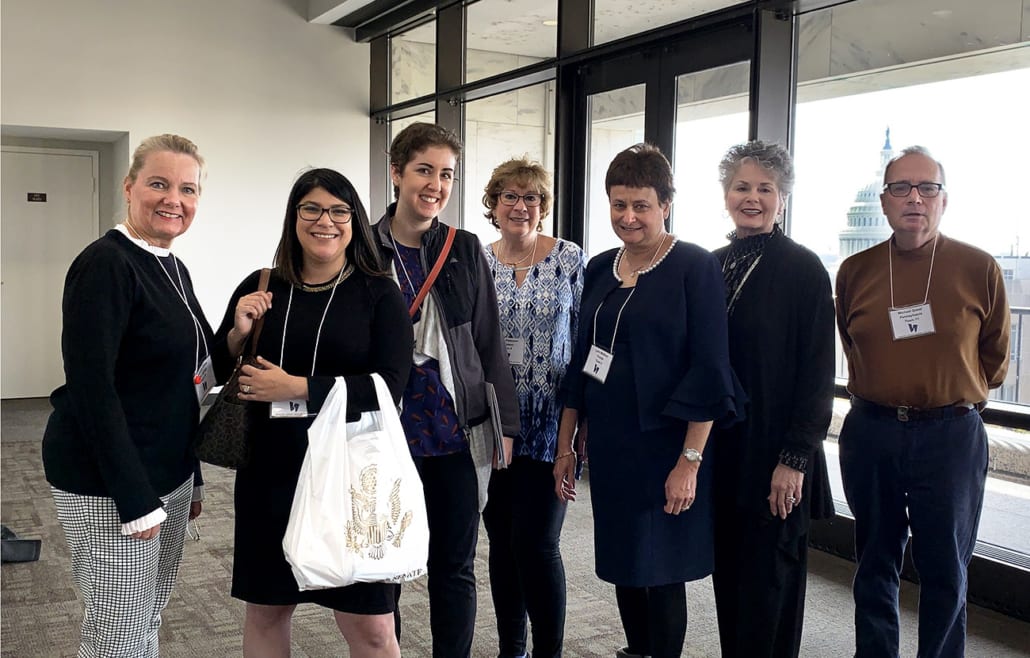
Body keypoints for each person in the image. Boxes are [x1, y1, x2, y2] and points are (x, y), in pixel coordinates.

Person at [212, 168, 413, 657]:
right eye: (312, 209)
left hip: (351, 476)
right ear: (294, 216)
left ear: (354, 221)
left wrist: (297, 388)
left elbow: (390, 386)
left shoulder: (378, 293)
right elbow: (215, 367)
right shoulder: (262, 285)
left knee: (371, 626)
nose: (326, 221)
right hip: (271, 472)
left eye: (339, 211)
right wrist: (238, 333)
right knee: (267, 610)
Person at [553, 143, 743, 658]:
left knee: (660, 571)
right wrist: (565, 445)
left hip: (667, 446)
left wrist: (690, 461)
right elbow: (581, 362)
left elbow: (710, 369)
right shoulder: (600, 267)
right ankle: (635, 651)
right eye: (619, 204)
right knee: (624, 563)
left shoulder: (694, 266)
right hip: (613, 445)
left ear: (666, 205)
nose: (628, 216)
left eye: (641, 205)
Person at [835, 146, 1010, 657]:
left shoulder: (978, 267)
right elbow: (852, 341)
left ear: (943, 200)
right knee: (874, 561)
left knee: (946, 568)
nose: (915, 198)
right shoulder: (855, 270)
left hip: (950, 434)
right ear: (885, 202)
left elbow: (995, 357)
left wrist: (946, 389)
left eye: (927, 188)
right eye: (901, 188)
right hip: (872, 430)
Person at [42, 134, 211, 656]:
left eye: (187, 189)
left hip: (167, 469)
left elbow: (186, 376)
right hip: (111, 482)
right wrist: (134, 498)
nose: (173, 199)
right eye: (159, 184)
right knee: (118, 633)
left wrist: (192, 476)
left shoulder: (170, 264)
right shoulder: (106, 264)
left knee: (146, 616)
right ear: (129, 186)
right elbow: (92, 388)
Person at [373, 122, 520, 658]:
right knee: (384, 567)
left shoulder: (463, 247)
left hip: (453, 433)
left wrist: (504, 425)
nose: (436, 185)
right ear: (396, 173)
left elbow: (488, 341)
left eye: (447, 174)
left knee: (454, 566)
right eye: (424, 170)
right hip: (384, 434)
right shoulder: (363, 248)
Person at [709, 141, 835, 658]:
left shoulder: (804, 269)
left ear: (782, 198)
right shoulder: (711, 265)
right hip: (722, 452)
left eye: (766, 188)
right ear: (725, 195)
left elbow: (817, 374)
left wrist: (794, 459)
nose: (752, 197)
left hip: (776, 457)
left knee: (771, 587)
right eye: (742, 187)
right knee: (729, 580)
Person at [481, 157, 586, 658]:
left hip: (552, 428)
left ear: (544, 206)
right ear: (494, 204)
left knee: (538, 544)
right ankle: (512, 649)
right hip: (494, 427)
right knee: (502, 542)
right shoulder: (479, 262)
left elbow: (585, 346)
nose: (520, 206)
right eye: (510, 196)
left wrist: (577, 431)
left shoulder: (569, 258)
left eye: (532, 198)